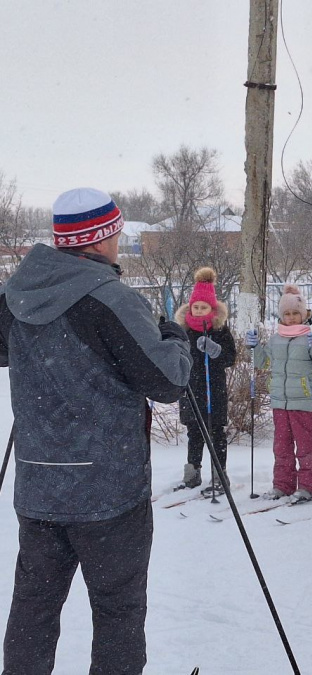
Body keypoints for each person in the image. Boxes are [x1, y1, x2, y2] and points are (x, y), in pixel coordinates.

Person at [0, 188, 191, 673]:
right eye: (117, 232)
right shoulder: (109, 298)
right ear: (102, 238)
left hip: (40, 486)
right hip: (108, 492)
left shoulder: (13, 295)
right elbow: (167, 381)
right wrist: (174, 338)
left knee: (34, 608)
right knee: (118, 611)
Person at [246, 284, 312, 503]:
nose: (291, 318)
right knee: (281, 447)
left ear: (303, 315)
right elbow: (264, 362)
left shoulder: (311, 337)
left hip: (303, 401)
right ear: (281, 316)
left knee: (306, 447)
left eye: (296, 314)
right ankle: (282, 485)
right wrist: (254, 348)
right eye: (287, 314)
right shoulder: (275, 339)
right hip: (279, 401)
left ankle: (308, 486)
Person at [175, 266, 237, 495]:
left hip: (214, 390)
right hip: (191, 390)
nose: (199, 311)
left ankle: (220, 475)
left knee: (216, 432)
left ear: (212, 309)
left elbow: (231, 357)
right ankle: (192, 473)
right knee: (194, 432)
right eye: (196, 307)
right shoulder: (183, 331)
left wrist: (215, 350)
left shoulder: (219, 330)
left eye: (204, 307)